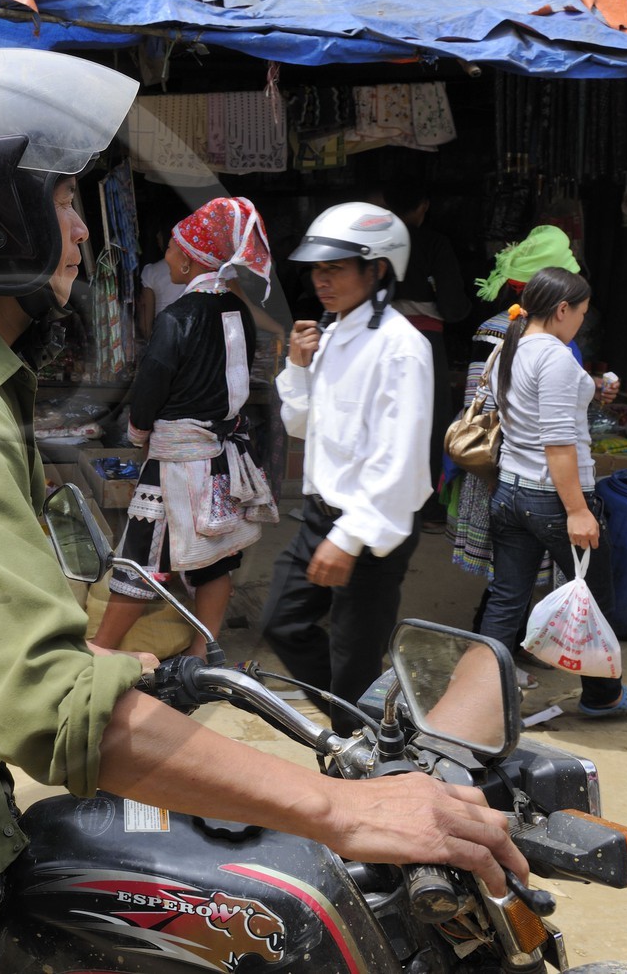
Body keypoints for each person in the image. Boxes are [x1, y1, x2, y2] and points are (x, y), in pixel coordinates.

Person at [0, 50, 524, 974]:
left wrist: (96, 656)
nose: (82, 231)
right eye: (67, 201)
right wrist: (343, 809)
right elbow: (48, 711)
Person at [258, 202, 433, 726]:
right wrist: (297, 367)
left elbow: (398, 459)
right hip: (321, 516)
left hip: (373, 527)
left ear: (377, 269)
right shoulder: (331, 335)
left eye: (334, 268)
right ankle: (365, 727)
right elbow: (303, 427)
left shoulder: (401, 348)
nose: (321, 281)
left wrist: (350, 535)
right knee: (282, 623)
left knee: (354, 659)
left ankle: (360, 742)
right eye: (317, 269)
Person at [91, 197, 278, 659]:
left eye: (174, 249)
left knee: (142, 556)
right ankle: (201, 654)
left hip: (177, 460)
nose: (168, 256)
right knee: (216, 560)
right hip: (219, 456)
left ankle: (99, 651)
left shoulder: (177, 318)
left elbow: (151, 387)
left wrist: (137, 433)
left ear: (191, 259)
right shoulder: (240, 314)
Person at [480, 266, 627, 718]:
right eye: (582, 314)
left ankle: (482, 697)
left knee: (506, 597)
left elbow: (537, 411)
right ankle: (603, 696)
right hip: (552, 498)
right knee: (596, 595)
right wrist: (577, 509)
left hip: (510, 492)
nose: (581, 324)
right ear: (562, 309)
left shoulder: (507, 349)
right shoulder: (552, 355)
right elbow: (557, 441)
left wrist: (589, 387)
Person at [381, 185, 471, 532]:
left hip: (379, 335)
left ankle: (388, 497)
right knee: (429, 419)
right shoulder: (434, 244)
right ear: (424, 206)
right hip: (425, 338)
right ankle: (427, 506)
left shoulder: (378, 242)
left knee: (385, 414)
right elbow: (453, 305)